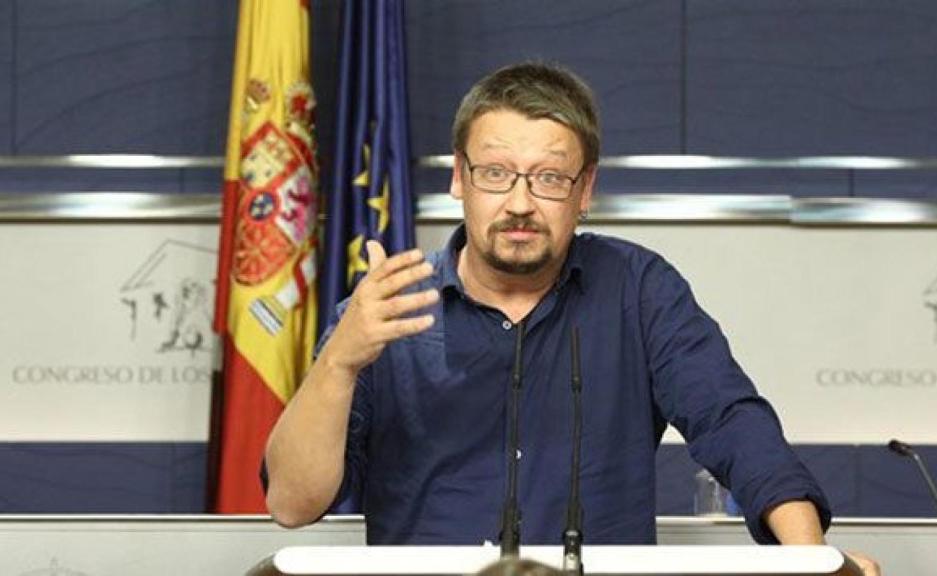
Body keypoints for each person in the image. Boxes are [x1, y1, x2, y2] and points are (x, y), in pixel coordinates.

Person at [264, 62, 879, 575]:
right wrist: (339, 363)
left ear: (585, 191)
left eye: (550, 178)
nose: (521, 203)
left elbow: (732, 423)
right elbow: (292, 504)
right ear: (459, 178)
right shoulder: (384, 307)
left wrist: (811, 560)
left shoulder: (638, 290)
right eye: (496, 173)